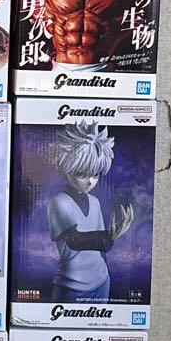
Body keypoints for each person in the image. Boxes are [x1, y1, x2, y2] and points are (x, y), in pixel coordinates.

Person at [48, 121, 134, 302]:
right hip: (71, 285)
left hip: (102, 281)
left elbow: (101, 249)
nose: (90, 181)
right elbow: (74, 240)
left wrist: (110, 238)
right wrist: (108, 236)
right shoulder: (59, 202)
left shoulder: (95, 203)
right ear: (65, 169)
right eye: (81, 174)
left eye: (95, 174)